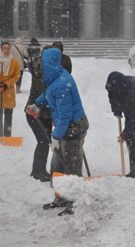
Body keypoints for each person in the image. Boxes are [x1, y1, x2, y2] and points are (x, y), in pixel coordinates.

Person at [26, 48, 89, 177]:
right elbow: (49, 93)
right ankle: (59, 185)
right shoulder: (56, 76)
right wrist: (37, 104)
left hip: (73, 127)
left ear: (46, 65)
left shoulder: (61, 85)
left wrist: (56, 137)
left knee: (71, 163)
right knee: (58, 161)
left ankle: (71, 190)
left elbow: (65, 116)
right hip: (66, 126)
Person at [25, 44, 55, 182]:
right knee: (43, 141)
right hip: (34, 112)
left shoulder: (49, 70)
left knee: (46, 141)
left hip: (46, 114)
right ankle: (37, 171)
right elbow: (45, 93)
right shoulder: (39, 71)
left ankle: (41, 170)